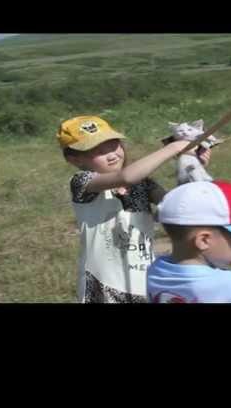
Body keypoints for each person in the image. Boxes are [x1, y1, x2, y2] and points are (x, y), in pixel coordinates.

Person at [57, 115, 209, 303]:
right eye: (96, 151)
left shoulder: (143, 184)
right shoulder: (82, 182)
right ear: (75, 160)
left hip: (142, 283)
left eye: (113, 145)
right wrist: (174, 147)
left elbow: (176, 206)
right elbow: (127, 177)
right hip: (102, 287)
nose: (111, 154)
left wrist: (193, 166)